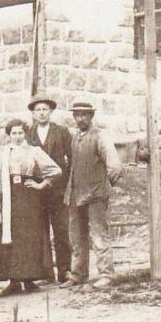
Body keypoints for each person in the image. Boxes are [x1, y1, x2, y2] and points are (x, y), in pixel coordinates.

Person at [0, 119, 61, 294]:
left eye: (20, 133)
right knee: (11, 237)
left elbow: (55, 170)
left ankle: (29, 279)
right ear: (9, 135)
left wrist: (41, 185)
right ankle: (14, 281)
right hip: (9, 199)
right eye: (13, 133)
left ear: (25, 134)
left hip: (28, 199)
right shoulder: (3, 153)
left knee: (29, 238)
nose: (17, 136)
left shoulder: (33, 151)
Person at [62, 101, 122, 290]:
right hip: (75, 194)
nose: (80, 118)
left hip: (95, 195)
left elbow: (114, 166)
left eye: (84, 115)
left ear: (91, 116)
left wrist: (103, 187)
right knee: (76, 237)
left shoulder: (100, 136)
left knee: (99, 235)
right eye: (77, 115)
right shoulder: (75, 138)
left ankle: (106, 275)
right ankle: (78, 274)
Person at [25, 94, 73, 283]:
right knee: (40, 230)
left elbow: (72, 158)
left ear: (51, 112)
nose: (42, 113)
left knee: (61, 229)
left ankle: (65, 270)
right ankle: (46, 273)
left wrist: (69, 183)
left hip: (59, 188)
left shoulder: (62, 132)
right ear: (33, 114)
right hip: (36, 189)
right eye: (38, 110)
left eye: (45, 109)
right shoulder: (28, 134)